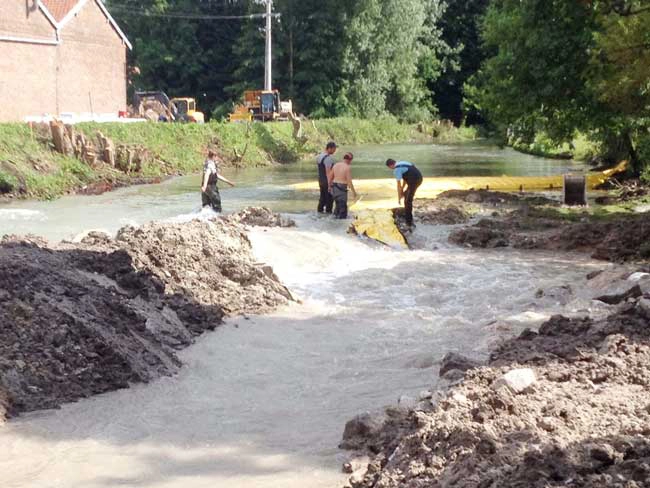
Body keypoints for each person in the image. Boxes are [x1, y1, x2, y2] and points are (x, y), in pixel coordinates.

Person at [386, 159, 423, 227]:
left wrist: (399, 197)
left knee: (407, 201)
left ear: (390, 166)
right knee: (406, 194)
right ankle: (409, 218)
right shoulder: (403, 163)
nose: (390, 169)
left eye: (389, 168)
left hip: (414, 181)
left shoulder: (397, 170)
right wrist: (403, 190)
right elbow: (406, 179)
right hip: (419, 178)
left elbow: (398, 185)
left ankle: (409, 222)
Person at [328, 152, 358, 219]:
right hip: (342, 189)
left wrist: (329, 187)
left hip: (334, 188)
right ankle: (341, 226)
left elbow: (330, 177)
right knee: (343, 209)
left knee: (337, 206)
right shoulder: (347, 167)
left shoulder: (336, 165)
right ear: (350, 160)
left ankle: (334, 221)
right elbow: (349, 181)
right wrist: (354, 192)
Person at [316, 141, 337, 213]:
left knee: (322, 198)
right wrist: (330, 185)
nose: (334, 151)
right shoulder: (328, 159)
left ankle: (319, 212)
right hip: (326, 181)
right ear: (330, 148)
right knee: (329, 200)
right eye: (334, 149)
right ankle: (328, 215)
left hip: (321, 181)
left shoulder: (319, 156)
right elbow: (328, 173)